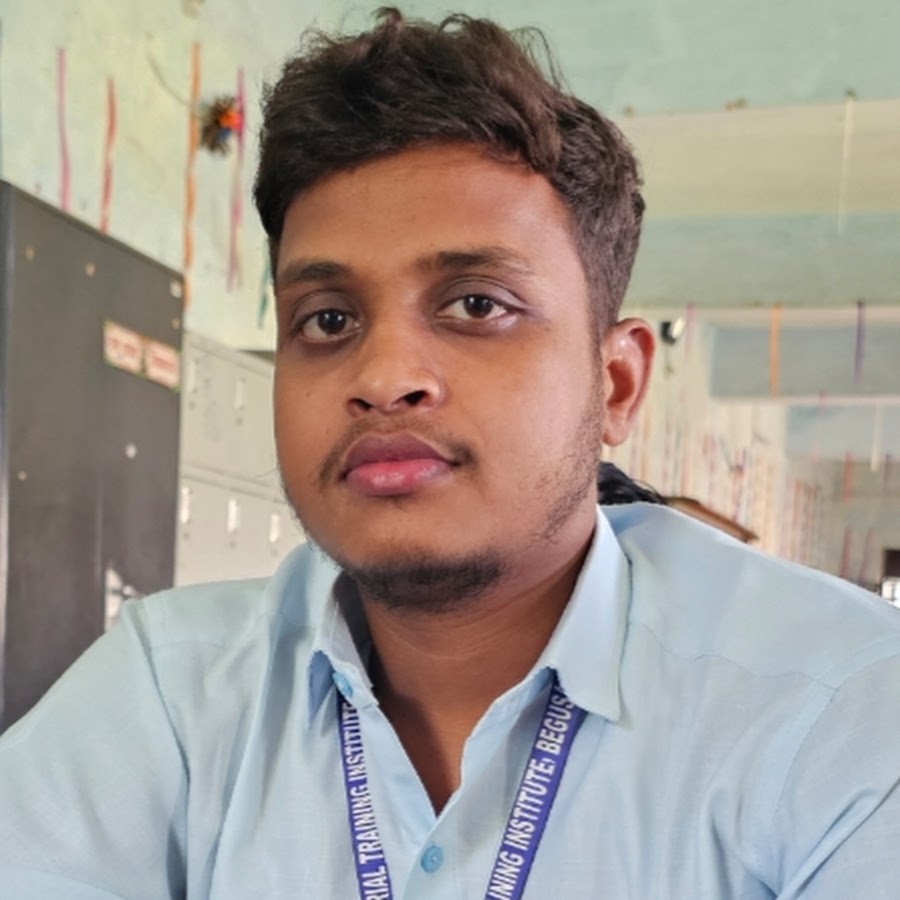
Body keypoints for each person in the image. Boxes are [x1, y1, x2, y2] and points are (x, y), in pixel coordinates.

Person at [2, 8, 899, 899]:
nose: (382, 377)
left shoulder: (839, 709)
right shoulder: (169, 691)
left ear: (617, 384)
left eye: (477, 305)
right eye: (328, 320)